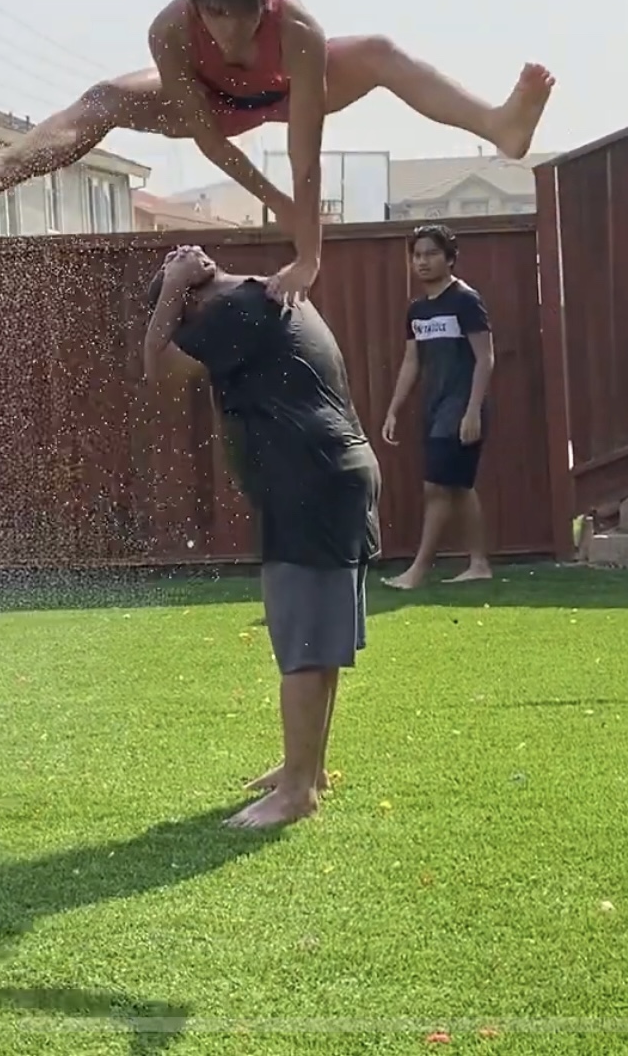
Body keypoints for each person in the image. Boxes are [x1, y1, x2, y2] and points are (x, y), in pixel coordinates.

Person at [0, 0, 556, 300]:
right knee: (106, 97)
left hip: (290, 91)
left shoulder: (299, 30)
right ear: (196, 4)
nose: (226, 32)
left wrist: (307, 252)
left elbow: (306, 152)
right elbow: (212, 143)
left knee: (382, 51)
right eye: (212, 15)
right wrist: (271, 203)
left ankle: (498, 125)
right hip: (212, 105)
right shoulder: (170, 31)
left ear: (266, 1)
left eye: (240, 18)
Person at [142, 244, 381, 829]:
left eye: (181, 314)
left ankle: (297, 791)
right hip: (328, 477)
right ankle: (308, 768)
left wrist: (171, 287)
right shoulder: (262, 299)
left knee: (301, 640)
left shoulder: (235, 309)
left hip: (311, 482)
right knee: (317, 639)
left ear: (194, 304)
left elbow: (158, 367)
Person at [379, 225, 495, 588]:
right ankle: (479, 564)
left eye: (431, 253)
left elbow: (485, 358)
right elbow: (411, 361)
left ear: (449, 258)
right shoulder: (417, 310)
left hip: (460, 409)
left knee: (437, 487)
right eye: (417, 255)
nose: (423, 261)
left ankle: (418, 571)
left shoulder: (466, 300)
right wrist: (394, 408)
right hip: (434, 407)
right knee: (459, 486)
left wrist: (473, 410)